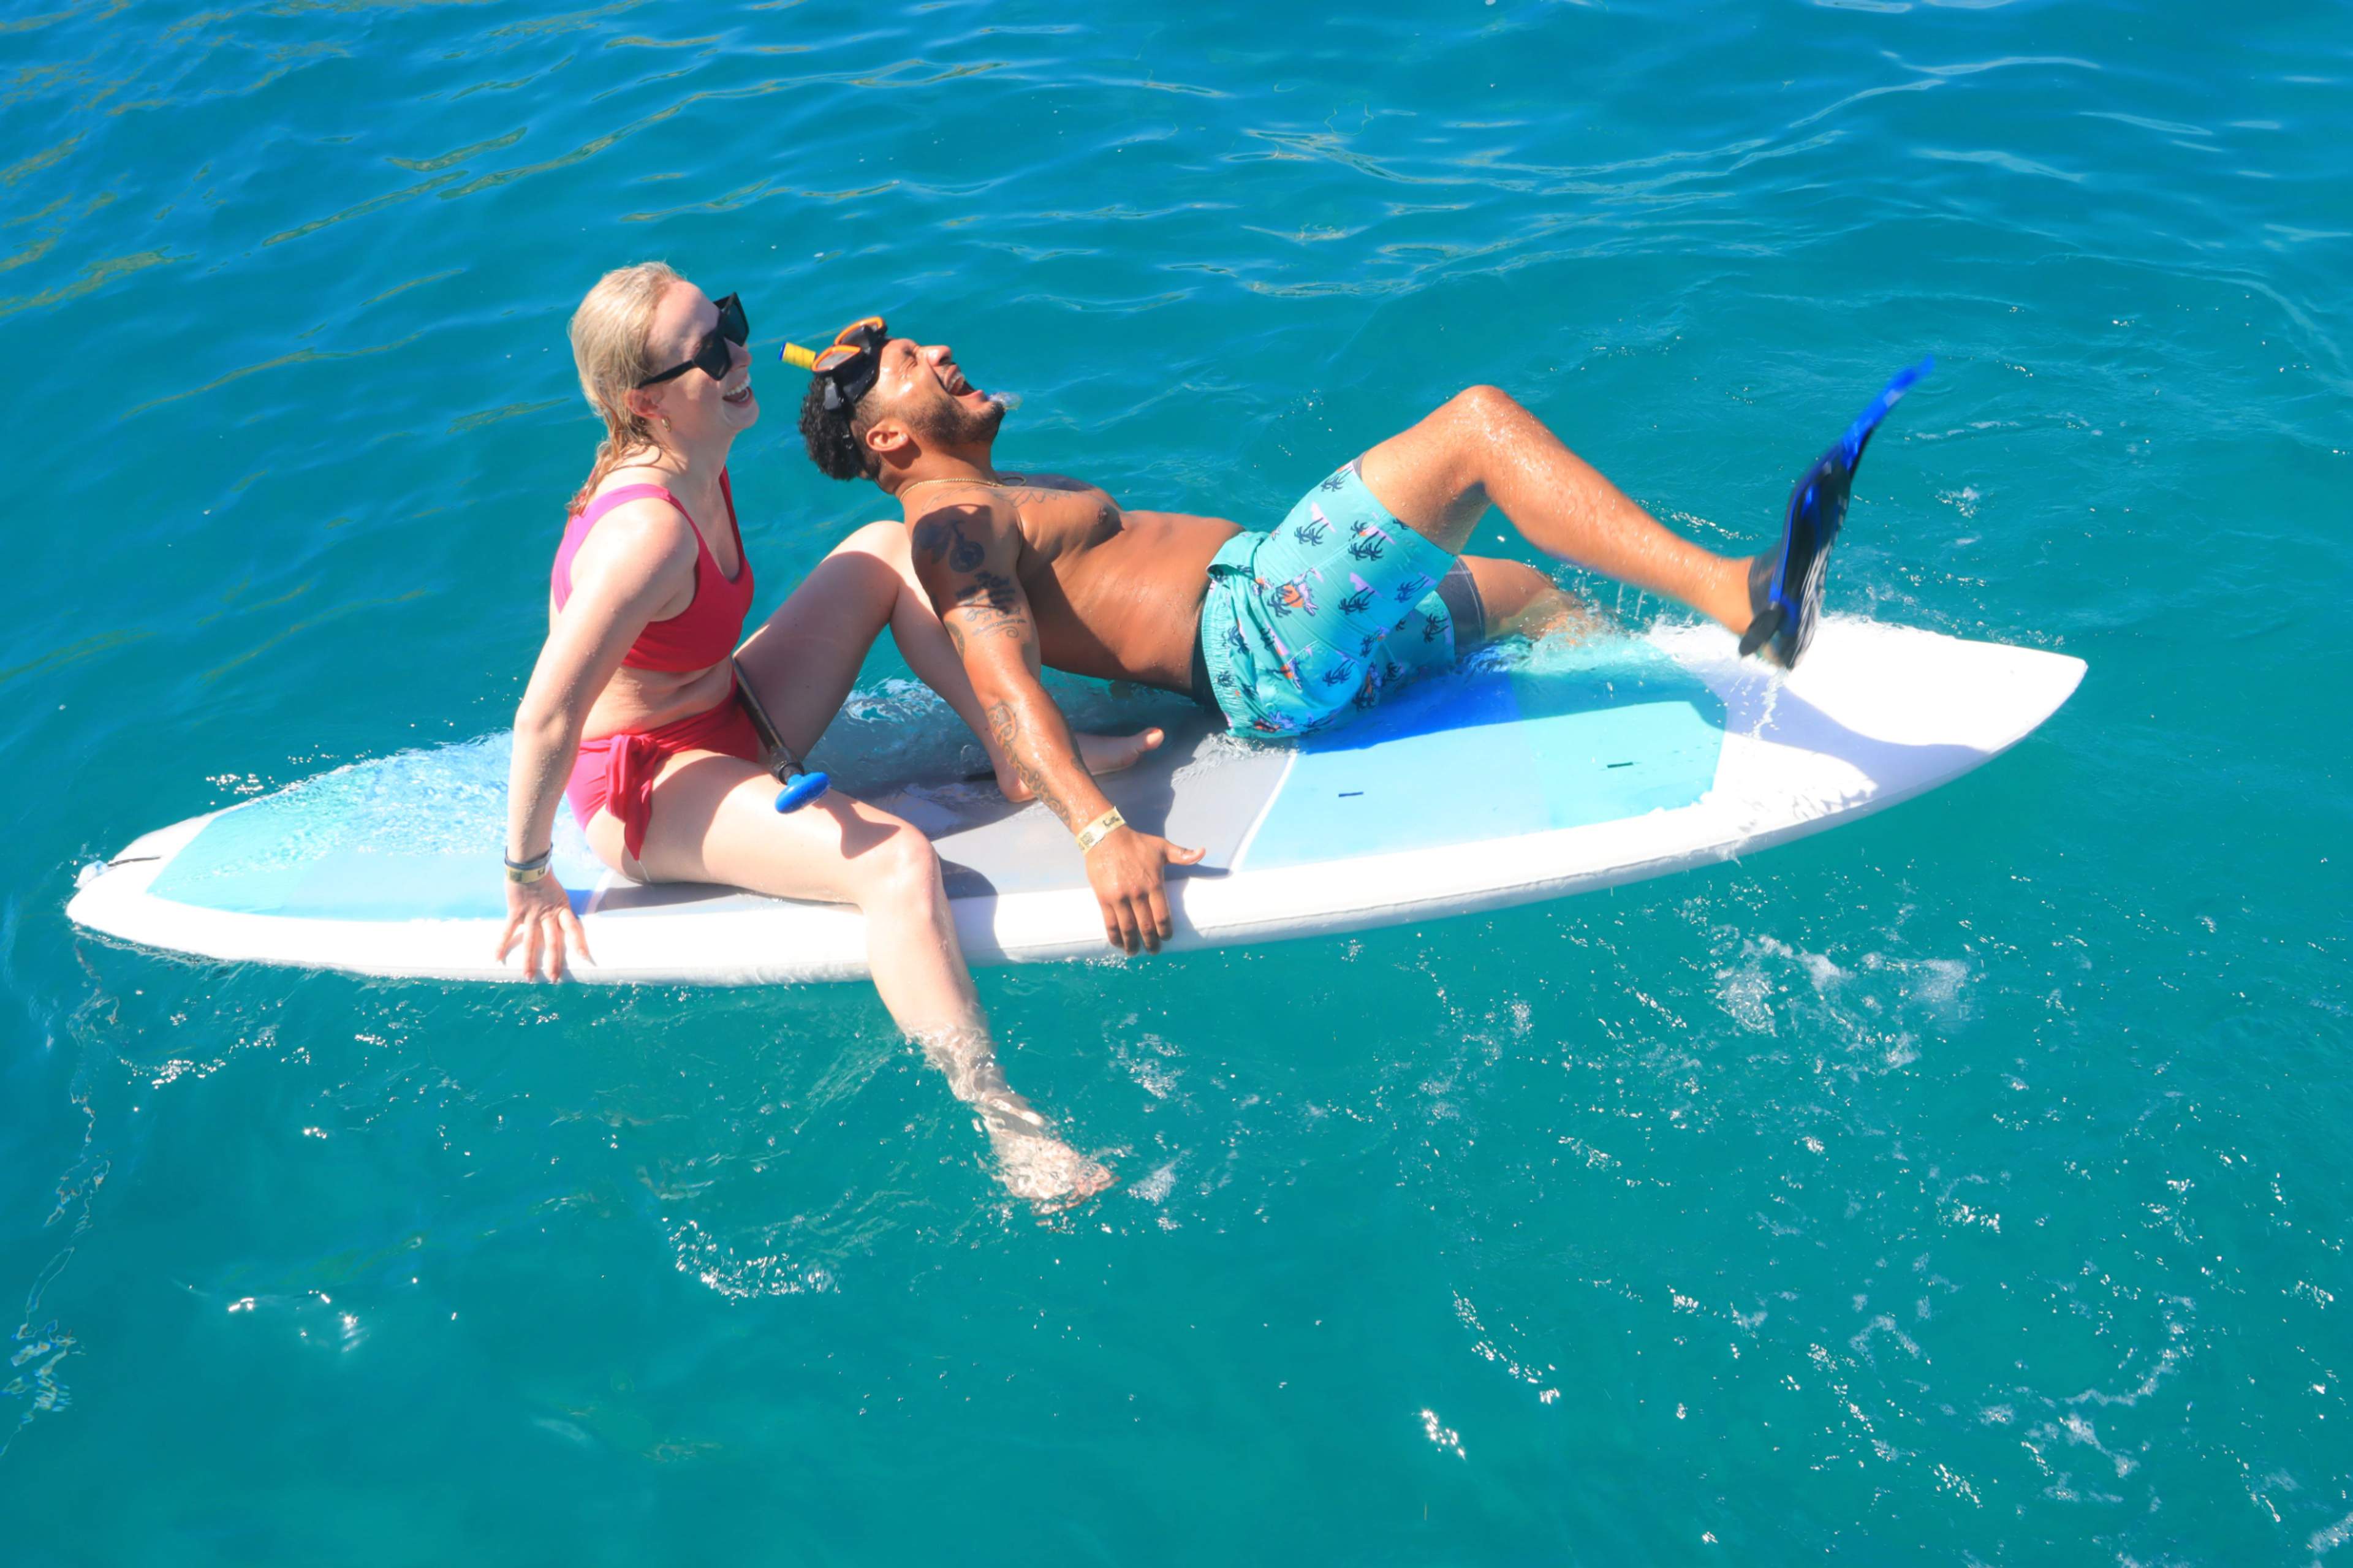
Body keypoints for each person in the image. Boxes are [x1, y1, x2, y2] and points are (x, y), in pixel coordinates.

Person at [795, 317, 1860, 958]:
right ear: (889, 438)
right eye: (908, 362)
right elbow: (999, 680)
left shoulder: (974, 493)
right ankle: (1744, 598)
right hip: (1264, 631)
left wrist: (858, 357)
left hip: (1281, 647)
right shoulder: (953, 525)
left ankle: (1647, 745)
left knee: (1530, 595)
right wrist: (1095, 831)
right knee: (1477, 429)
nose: (940, 350)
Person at [499, 265, 1157, 1207]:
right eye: (709, 351)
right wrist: (528, 871)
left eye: (729, 319)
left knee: (888, 550)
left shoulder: (695, 453)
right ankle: (1008, 1127)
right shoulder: (644, 532)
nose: (739, 353)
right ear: (646, 402)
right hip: (647, 780)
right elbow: (547, 714)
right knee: (893, 865)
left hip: (730, 708)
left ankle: (1020, 757)